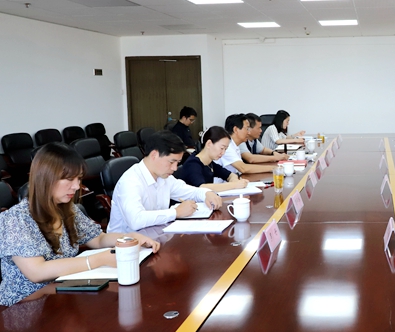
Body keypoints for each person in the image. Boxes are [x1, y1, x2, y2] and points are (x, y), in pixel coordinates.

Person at [0, 143, 160, 306]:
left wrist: (129, 237)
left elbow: (98, 239)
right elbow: (36, 272)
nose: (77, 186)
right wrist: (98, 260)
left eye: (78, 179)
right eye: (70, 179)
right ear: (46, 178)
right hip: (26, 305)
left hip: (64, 295)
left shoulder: (66, 208)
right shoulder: (15, 219)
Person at [107, 131, 222, 233]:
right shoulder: (130, 181)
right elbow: (136, 220)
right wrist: (176, 212)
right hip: (126, 245)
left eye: (177, 163)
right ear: (154, 155)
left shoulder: (163, 177)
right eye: (171, 162)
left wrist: (206, 193)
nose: (175, 168)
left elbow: (187, 191)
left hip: (156, 236)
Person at [179, 126, 250, 191]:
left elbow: (229, 174)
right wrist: (233, 185)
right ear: (209, 144)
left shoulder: (209, 163)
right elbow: (202, 187)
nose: (223, 153)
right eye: (221, 148)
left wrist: (234, 180)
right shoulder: (193, 164)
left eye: (225, 149)